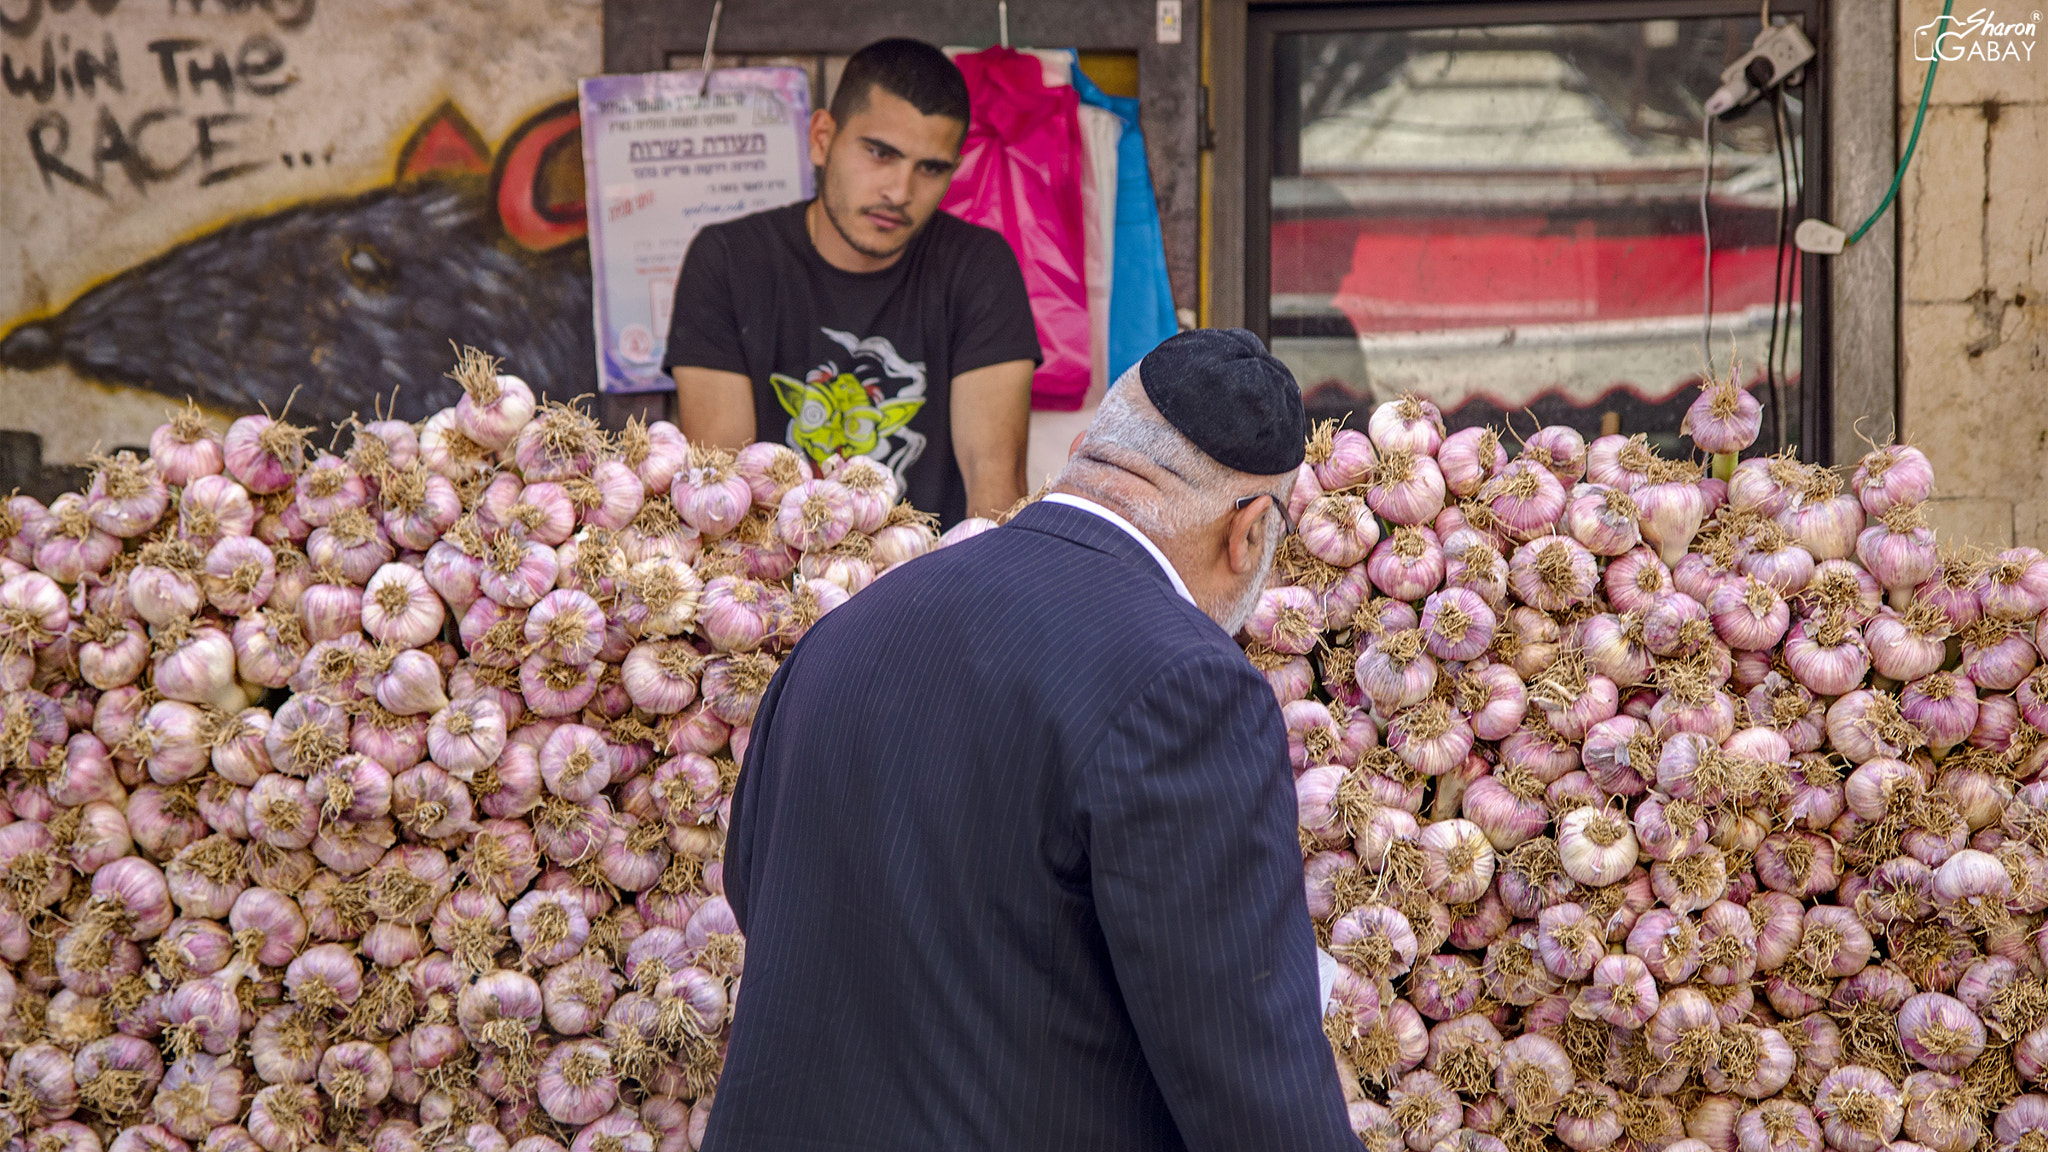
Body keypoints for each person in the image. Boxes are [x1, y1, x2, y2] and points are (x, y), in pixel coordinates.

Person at [704, 329, 1358, 1151]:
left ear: (1085, 453)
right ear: (1250, 532)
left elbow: (753, 885)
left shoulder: (852, 626)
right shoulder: (1188, 685)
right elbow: (1248, 1074)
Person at [664, 37, 1039, 527]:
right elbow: (724, 496)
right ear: (822, 138)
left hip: (930, 587)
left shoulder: (979, 267)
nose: (900, 192)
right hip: (777, 594)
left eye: (930, 168)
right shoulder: (729, 260)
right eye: (880, 154)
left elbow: (995, 488)